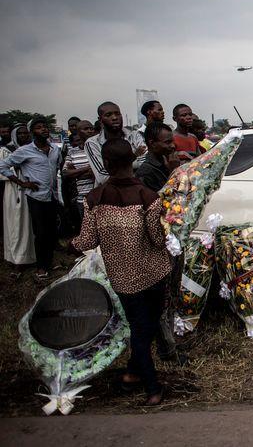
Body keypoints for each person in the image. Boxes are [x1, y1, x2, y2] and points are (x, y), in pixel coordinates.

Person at [72, 139, 173, 405]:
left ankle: (132, 373)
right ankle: (151, 386)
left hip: (123, 278)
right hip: (154, 272)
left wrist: (70, 244)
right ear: (132, 161)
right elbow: (157, 240)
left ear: (105, 164)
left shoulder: (94, 199)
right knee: (144, 328)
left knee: (141, 327)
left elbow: (86, 242)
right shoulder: (148, 197)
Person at [135, 122, 185, 365]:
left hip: (172, 238)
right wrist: (173, 174)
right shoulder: (148, 172)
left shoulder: (163, 164)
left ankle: (171, 340)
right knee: (162, 299)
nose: (171, 145)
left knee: (172, 294)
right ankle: (167, 349)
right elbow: (160, 207)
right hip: (160, 240)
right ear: (151, 144)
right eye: (166, 142)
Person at [0, 118, 62, 279]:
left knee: (51, 232)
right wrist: (22, 182)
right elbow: (3, 166)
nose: (44, 130)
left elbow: (57, 168)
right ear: (32, 132)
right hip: (36, 198)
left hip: (52, 196)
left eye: (45, 127)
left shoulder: (55, 149)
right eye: (39, 127)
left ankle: (49, 262)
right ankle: (41, 268)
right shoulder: (25, 151)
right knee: (40, 233)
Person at [84, 101, 146, 186]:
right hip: (110, 195)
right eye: (108, 115)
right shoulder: (93, 143)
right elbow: (103, 177)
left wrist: (115, 169)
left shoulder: (134, 135)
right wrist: (134, 156)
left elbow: (145, 167)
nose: (114, 118)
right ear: (100, 119)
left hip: (137, 191)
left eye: (117, 114)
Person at [0, 125, 36, 270]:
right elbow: (2, 170)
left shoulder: (32, 149)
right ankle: (16, 258)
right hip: (13, 190)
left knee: (29, 223)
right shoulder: (5, 151)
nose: (23, 136)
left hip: (31, 190)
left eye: (26, 133)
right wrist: (20, 180)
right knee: (15, 223)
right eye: (20, 133)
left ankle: (29, 255)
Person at [63, 120, 96, 228]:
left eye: (91, 128)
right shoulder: (72, 152)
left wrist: (76, 173)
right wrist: (87, 168)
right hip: (82, 198)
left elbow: (98, 173)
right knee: (87, 232)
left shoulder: (99, 149)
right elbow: (66, 173)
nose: (90, 131)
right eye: (86, 129)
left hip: (99, 197)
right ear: (77, 132)